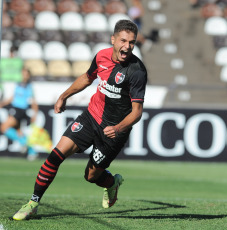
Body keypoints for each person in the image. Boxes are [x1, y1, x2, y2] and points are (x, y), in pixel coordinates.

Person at [12, 19, 148, 221]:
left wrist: (118, 128)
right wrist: (64, 96)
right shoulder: (101, 56)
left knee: (91, 176)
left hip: (113, 131)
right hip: (91, 116)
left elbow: (136, 112)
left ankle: (112, 183)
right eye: (123, 40)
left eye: (132, 42)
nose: (127, 46)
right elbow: (87, 77)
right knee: (56, 155)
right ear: (113, 39)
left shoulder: (137, 71)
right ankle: (32, 203)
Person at [0, 68, 39, 160]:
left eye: (25, 74)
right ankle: (32, 152)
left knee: (4, 128)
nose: (24, 76)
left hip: (19, 110)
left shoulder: (29, 86)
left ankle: (23, 143)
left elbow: (33, 102)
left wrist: (35, 114)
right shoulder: (18, 84)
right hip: (15, 108)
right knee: (19, 132)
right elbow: (12, 97)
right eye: (23, 74)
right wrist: (3, 103)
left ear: (28, 76)